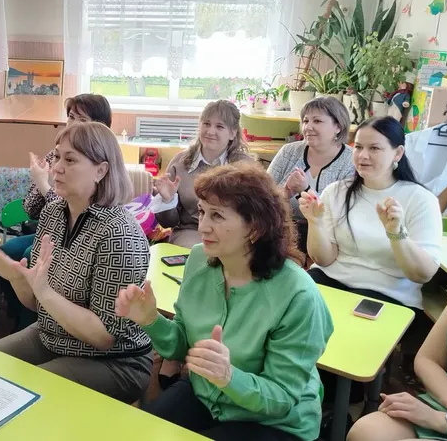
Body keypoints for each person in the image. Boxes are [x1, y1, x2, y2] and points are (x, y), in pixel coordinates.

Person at [115, 163, 333, 441]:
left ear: (256, 227)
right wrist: (151, 320)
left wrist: (229, 377)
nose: (202, 226)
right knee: (134, 434)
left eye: (217, 215)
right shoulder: (199, 259)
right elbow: (183, 346)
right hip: (208, 395)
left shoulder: (298, 293)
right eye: (202, 212)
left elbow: (281, 398)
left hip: (275, 421)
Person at [0, 122, 153, 403]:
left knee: (19, 397)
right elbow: (37, 304)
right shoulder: (54, 212)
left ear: (101, 171)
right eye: (57, 156)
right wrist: (16, 277)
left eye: (70, 160)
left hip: (114, 361)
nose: (56, 168)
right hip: (53, 336)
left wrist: (43, 290)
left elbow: (103, 336)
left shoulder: (119, 234)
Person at [300, 116, 442, 403]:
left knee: (340, 344)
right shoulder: (337, 191)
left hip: (388, 293)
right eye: (359, 147)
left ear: (397, 153)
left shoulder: (419, 199)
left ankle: (336, 402)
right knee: (292, 310)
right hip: (332, 279)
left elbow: (423, 274)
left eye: (374, 148)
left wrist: (396, 233)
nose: (363, 156)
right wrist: (315, 223)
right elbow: (324, 259)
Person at [1, 94, 112, 330]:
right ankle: (15, 316)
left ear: (100, 127)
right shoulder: (55, 155)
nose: (73, 124)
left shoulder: (98, 162)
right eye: (71, 117)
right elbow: (30, 209)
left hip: (81, 234)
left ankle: (37, 321)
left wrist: (46, 186)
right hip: (49, 231)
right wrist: (41, 181)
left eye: (82, 119)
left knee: (31, 256)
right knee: (9, 251)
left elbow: (78, 214)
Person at [151, 99, 254, 249]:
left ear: (233, 133)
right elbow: (168, 223)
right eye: (206, 124)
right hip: (192, 231)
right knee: (198, 253)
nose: (210, 131)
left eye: (219, 126)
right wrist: (167, 201)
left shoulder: (246, 167)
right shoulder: (179, 163)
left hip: (233, 234)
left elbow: (257, 213)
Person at [348, 296, 447, 441]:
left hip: (444, 418)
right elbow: (428, 359)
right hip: (444, 403)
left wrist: (444, 421)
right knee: (365, 432)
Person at [268, 96, 354, 253]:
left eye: (317, 121)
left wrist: (305, 190)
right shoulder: (289, 151)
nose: (308, 127)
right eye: (305, 121)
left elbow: (339, 214)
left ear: (338, 126)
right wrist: (285, 193)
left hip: (328, 238)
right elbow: (262, 197)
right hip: (282, 232)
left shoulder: (351, 160)